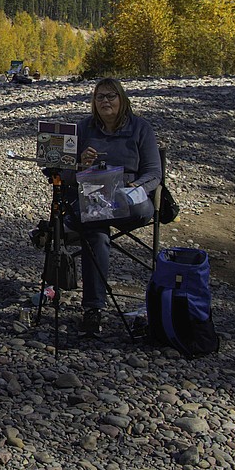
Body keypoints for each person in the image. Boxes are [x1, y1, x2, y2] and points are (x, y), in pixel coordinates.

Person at [71, 78, 161, 335]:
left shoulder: (140, 128)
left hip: (130, 199)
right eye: (100, 97)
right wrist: (80, 163)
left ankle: (76, 223)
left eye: (111, 96)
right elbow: (61, 169)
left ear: (122, 100)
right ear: (93, 102)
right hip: (95, 197)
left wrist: (134, 191)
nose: (105, 101)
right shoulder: (84, 128)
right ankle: (93, 310)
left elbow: (155, 173)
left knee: (91, 221)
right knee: (96, 234)